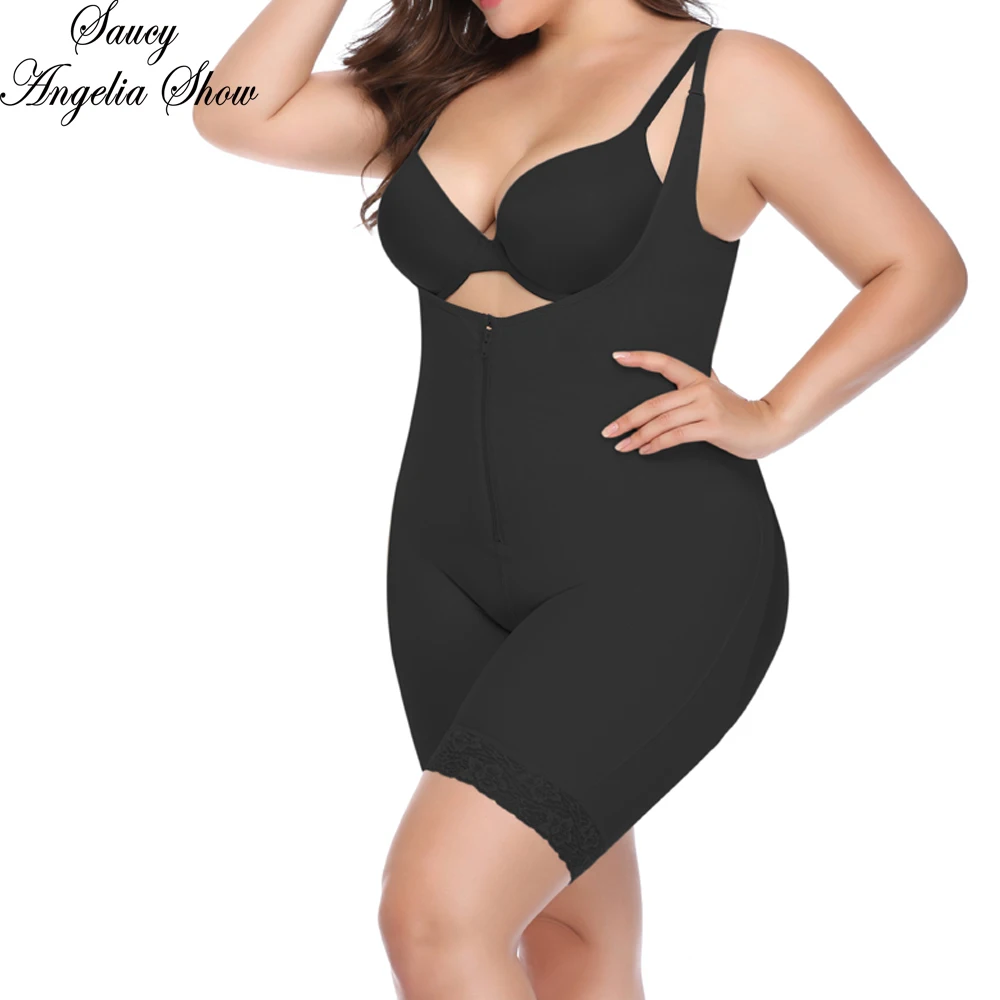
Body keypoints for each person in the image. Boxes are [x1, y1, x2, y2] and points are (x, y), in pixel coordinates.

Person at [193, 2, 967, 997]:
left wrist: (774, 413)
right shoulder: (445, 83)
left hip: (653, 567)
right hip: (439, 570)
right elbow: (235, 110)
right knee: (570, 937)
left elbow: (918, 266)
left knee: (436, 913)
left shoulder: (730, 78)